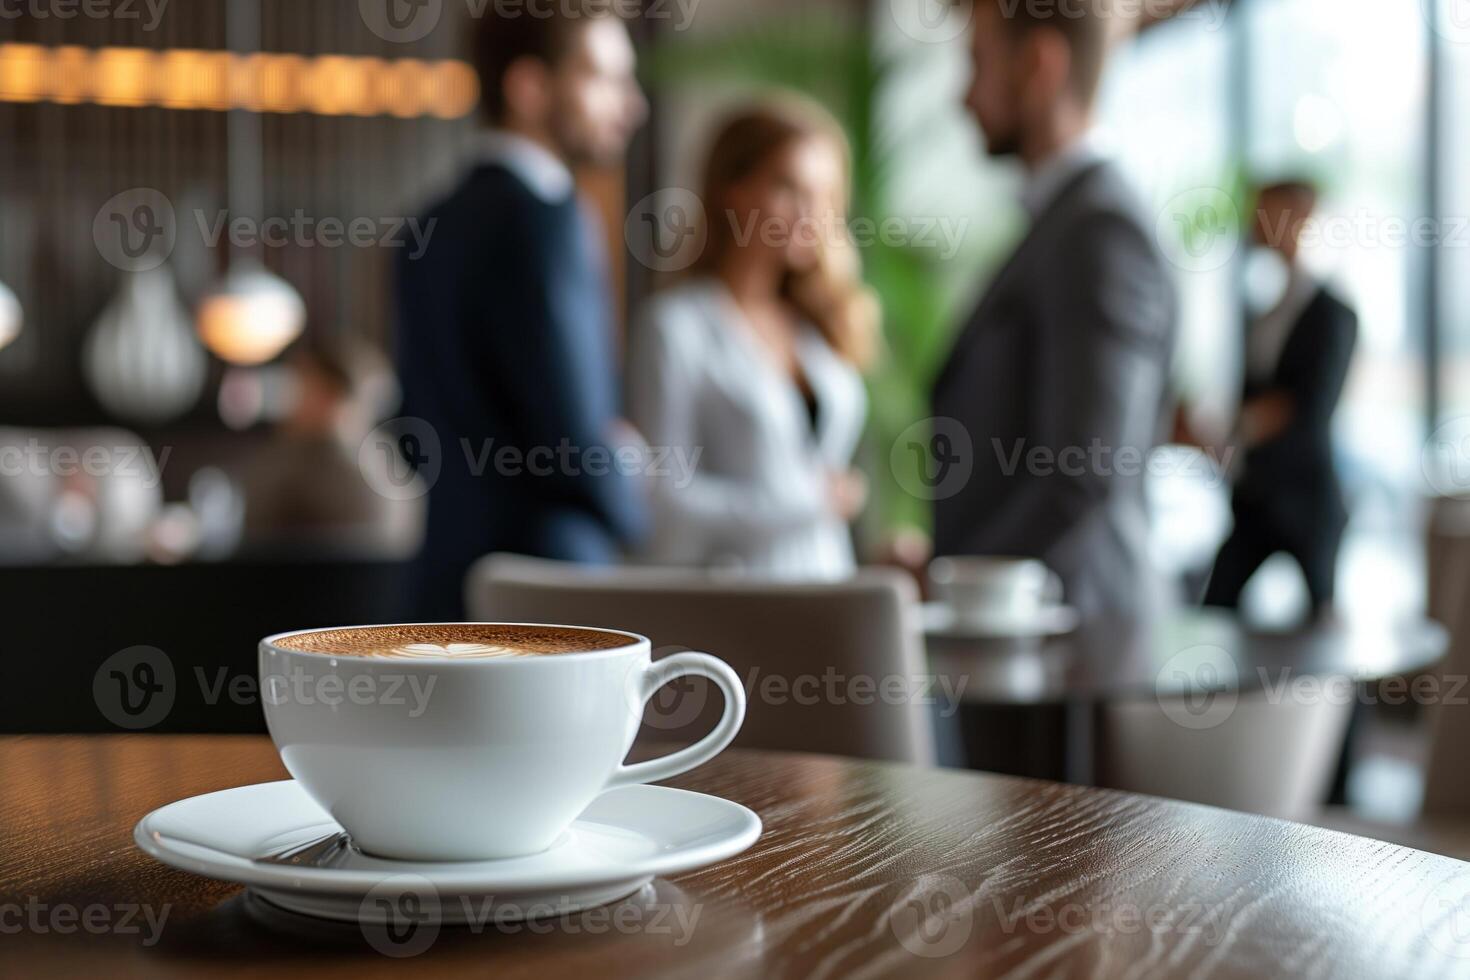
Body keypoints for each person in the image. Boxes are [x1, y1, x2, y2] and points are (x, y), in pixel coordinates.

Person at [395, 3, 649, 618]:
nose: (632, 105)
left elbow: (410, 431)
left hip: (448, 581)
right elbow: (568, 435)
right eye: (604, 77)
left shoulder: (424, 226)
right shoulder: (549, 219)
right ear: (529, 87)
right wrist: (634, 503)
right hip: (551, 590)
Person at [931, 0, 1177, 619]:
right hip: (1039, 637)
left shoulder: (1100, 231)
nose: (963, 99)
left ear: (1039, 65)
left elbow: (1082, 474)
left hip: (1071, 650)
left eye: (976, 64)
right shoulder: (1066, 221)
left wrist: (954, 584)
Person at [627, 100, 877, 577]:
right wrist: (806, 503)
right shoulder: (675, 329)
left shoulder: (816, 329)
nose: (812, 214)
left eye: (825, 195)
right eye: (789, 187)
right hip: (737, 600)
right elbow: (662, 500)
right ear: (732, 191)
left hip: (830, 586)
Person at [1203, 180, 1356, 615]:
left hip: (1306, 498)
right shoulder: (1259, 310)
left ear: (1300, 217)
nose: (1256, 226)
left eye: (1267, 214)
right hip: (1255, 495)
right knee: (1217, 607)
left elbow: (1311, 408)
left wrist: (1239, 428)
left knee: (1321, 621)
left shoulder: (1333, 314)